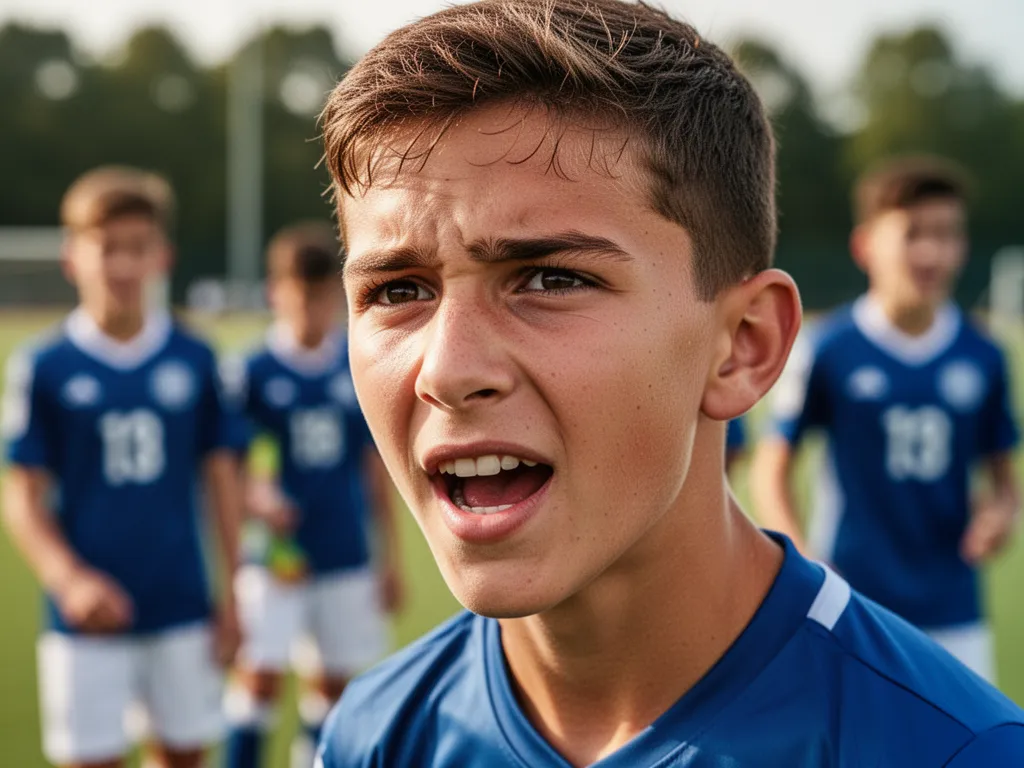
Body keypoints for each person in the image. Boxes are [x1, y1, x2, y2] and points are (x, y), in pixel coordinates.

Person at [315, 1, 1024, 765]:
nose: (449, 371)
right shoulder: (373, 735)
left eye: (550, 279)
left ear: (742, 348)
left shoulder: (950, 750)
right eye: (396, 292)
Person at [1, 166, 242, 768]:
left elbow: (222, 481)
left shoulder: (196, 357)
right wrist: (69, 578)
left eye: (138, 248)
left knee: (185, 756)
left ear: (163, 256)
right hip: (86, 619)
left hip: (182, 602)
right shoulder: (44, 366)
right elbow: (22, 496)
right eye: (108, 248)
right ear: (72, 257)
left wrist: (233, 597)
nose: (124, 266)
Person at [751, 155, 1020, 682]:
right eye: (914, 232)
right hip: (853, 602)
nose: (933, 251)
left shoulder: (983, 354)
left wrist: (1000, 516)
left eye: (948, 234)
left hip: (955, 611)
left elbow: (1005, 483)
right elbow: (771, 467)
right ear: (866, 244)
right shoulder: (829, 348)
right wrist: (803, 561)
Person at [222, 222, 404, 768]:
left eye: (322, 296)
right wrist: (258, 500)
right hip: (275, 558)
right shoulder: (249, 371)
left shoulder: (353, 365)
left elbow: (373, 467)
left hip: (343, 548)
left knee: (335, 686)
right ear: (276, 292)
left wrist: (387, 557)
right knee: (260, 679)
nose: (310, 308)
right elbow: (226, 467)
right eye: (298, 294)